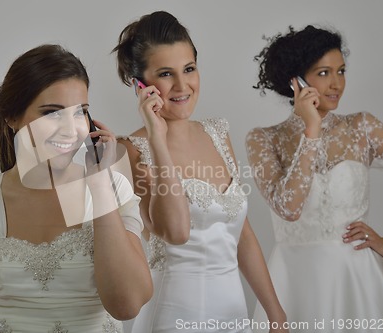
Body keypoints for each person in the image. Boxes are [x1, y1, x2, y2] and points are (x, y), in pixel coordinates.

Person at [0, 44, 152, 333]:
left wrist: (100, 185)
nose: (70, 129)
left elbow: (126, 306)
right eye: (52, 113)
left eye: (80, 112)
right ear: (12, 118)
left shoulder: (113, 188)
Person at [112, 11, 287, 333]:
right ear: (140, 84)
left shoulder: (217, 133)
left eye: (189, 69)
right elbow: (172, 232)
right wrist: (157, 138)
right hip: (175, 317)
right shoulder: (130, 151)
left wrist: (275, 313)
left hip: (235, 315)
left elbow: (243, 236)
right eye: (166, 74)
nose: (182, 85)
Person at [246, 25, 383, 332]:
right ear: (295, 81)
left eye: (341, 71)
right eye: (323, 73)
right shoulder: (264, 139)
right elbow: (289, 208)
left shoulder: (362, 127)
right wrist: (311, 131)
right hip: (294, 280)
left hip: (357, 278)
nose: (336, 83)